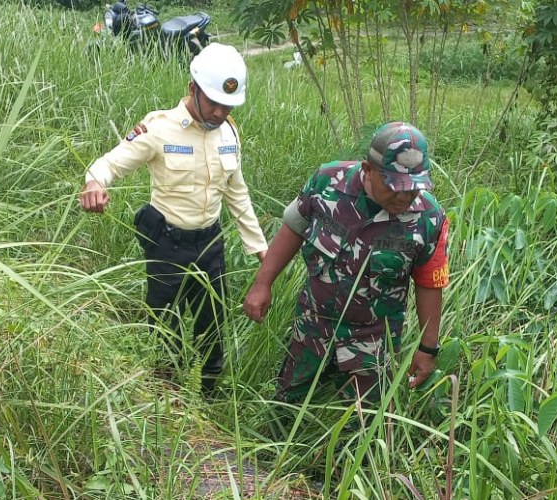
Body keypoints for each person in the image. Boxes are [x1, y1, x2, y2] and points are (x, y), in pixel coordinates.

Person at [80, 43, 268, 394]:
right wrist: (94, 182)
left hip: (210, 245)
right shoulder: (159, 129)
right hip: (168, 245)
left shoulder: (229, 133)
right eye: (212, 101)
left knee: (212, 324)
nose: (218, 111)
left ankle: (209, 396)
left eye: (227, 105)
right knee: (164, 325)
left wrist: (261, 251)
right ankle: (166, 397)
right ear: (192, 89)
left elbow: (237, 194)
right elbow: (109, 163)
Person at [243, 122, 449, 405]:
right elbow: (293, 228)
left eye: (413, 188)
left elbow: (430, 283)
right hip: (312, 329)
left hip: (374, 342)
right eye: (394, 186)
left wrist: (428, 347)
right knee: (286, 408)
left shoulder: (429, 217)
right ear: (368, 170)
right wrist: (262, 283)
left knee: (364, 432)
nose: (404, 197)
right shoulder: (327, 183)